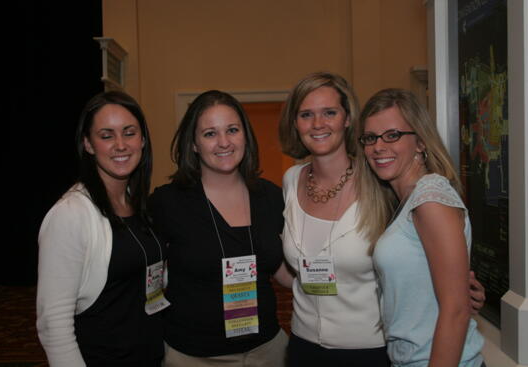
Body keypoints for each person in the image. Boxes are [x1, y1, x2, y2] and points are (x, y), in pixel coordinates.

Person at [278, 72, 485, 367]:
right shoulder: (292, 180)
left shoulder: (382, 186)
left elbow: (447, 292)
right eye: (306, 114)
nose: (318, 123)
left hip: (373, 350)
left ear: (347, 119)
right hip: (306, 345)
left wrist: (463, 292)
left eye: (329, 112)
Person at [148, 90, 289, 367]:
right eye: (210, 133)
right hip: (193, 356)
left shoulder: (271, 197)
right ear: (193, 144)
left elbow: (281, 269)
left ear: (245, 136)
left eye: (232, 130)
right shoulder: (167, 203)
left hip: (267, 352)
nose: (224, 142)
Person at [36, 91, 167, 367]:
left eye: (129, 133)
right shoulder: (70, 214)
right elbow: (53, 323)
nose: (120, 145)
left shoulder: (138, 202)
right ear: (88, 144)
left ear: (142, 140)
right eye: (106, 136)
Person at [357, 88, 484, 366]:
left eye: (392, 135)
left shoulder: (430, 198)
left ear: (421, 142)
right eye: (370, 138)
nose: (378, 147)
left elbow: (456, 310)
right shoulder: (406, 201)